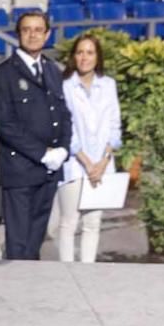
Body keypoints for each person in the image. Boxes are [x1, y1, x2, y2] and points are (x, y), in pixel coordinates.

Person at [0, 11, 73, 261]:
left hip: (48, 172)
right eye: (27, 29)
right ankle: (17, 296)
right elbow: (6, 125)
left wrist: (63, 150)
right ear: (19, 34)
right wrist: (43, 154)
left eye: (38, 30)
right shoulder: (2, 73)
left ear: (47, 35)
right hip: (21, 171)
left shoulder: (53, 70)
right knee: (19, 246)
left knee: (35, 243)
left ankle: (32, 295)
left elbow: (64, 114)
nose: (33, 35)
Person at [56, 34, 122, 263]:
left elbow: (114, 126)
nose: (84, 57)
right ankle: (67, 274)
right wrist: (86, 162)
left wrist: (102, 162)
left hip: (101, 166)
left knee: (93, 224)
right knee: (69, 223)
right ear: (74, 56)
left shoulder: (108, 85)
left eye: (90, 52)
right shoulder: (64, 86)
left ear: (98, 57)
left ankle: (88, 274)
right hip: (75, 165)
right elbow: (66, 127)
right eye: (80, 52)